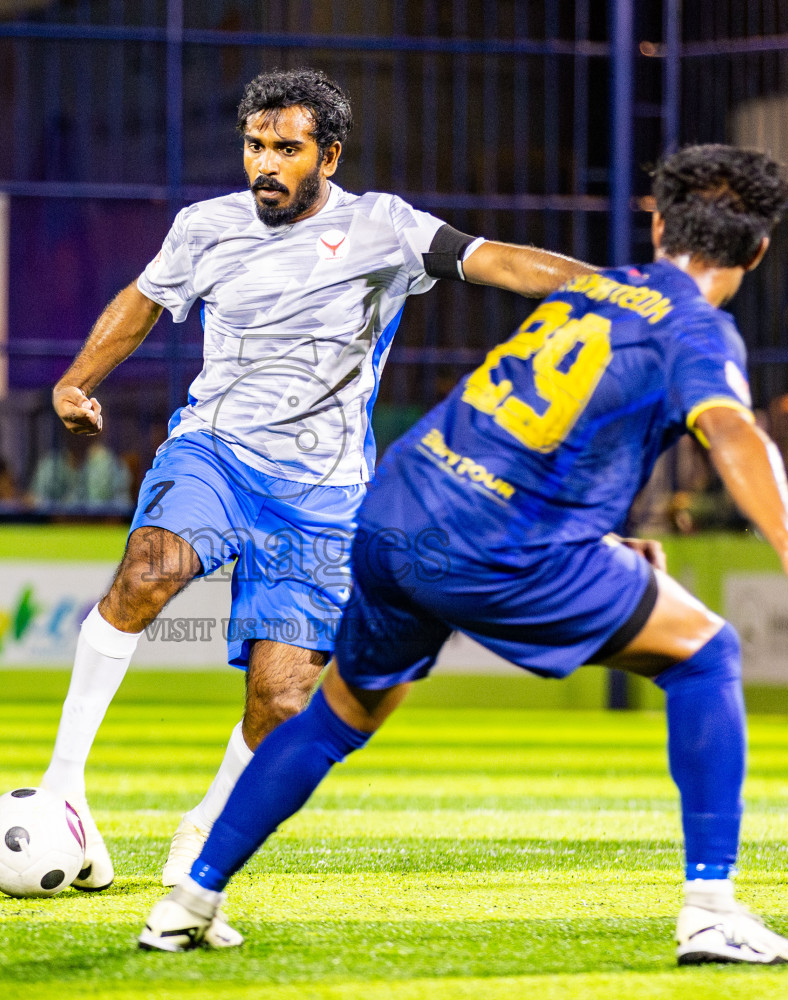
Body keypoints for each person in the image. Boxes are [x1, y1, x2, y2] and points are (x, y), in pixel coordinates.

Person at [138, 145, 788, 966]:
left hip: (399, 511)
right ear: (759, 249)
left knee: (338, 715)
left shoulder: (591, 292)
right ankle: (711, 910)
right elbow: (730, 428)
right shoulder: (697, 329)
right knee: (707, 655)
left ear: (657, 222)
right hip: (501, 544)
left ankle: (187, 901)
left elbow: (520, 421)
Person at [41, 68, 595, 905]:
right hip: (216, 453)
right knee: (149, 571)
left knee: (282, 697)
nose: (265, 163)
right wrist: (77, 382)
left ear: (327, 156)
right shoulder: (208, 227)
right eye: (255, 146)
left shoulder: (383, 227)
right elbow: (144, 302)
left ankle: (206, 820)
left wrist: (613, 291)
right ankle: (64, 789)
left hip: (324, 494)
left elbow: (494, 262)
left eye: (286, 149)